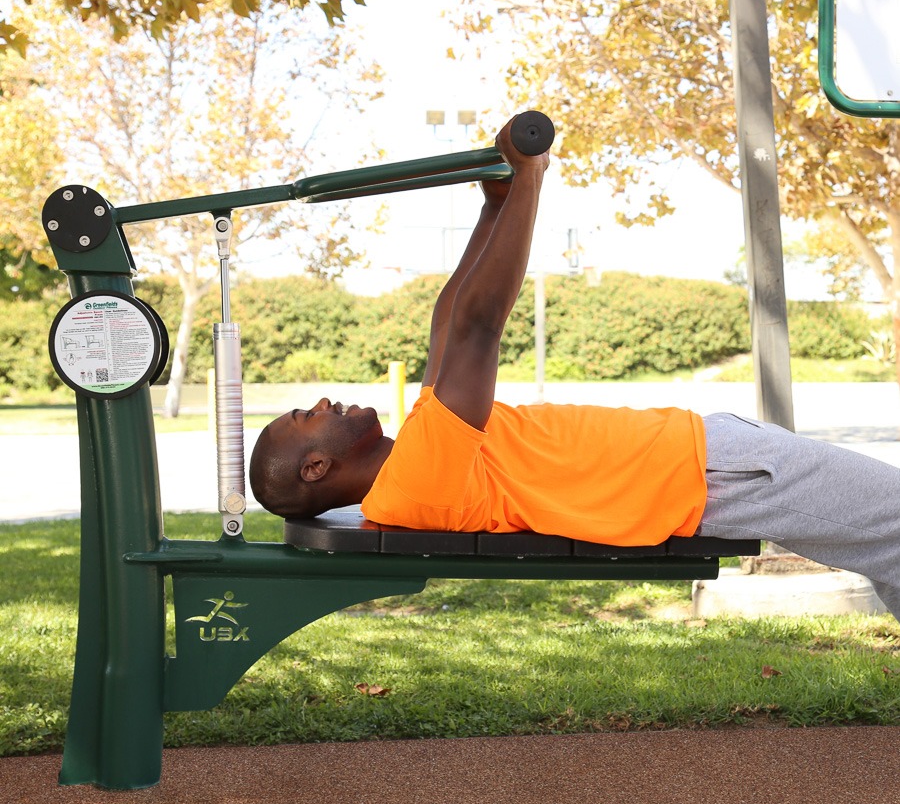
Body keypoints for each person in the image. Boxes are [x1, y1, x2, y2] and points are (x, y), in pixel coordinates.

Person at [249, 115, 900, 621]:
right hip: (711, 472)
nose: (325, 402)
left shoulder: (422, 450)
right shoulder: (415, 480)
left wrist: (493, 205)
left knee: (886, 552)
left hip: (704, 459)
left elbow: (449, 318)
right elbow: (478, 327)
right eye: (307, 416)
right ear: (316, 467)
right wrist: (530, 178)